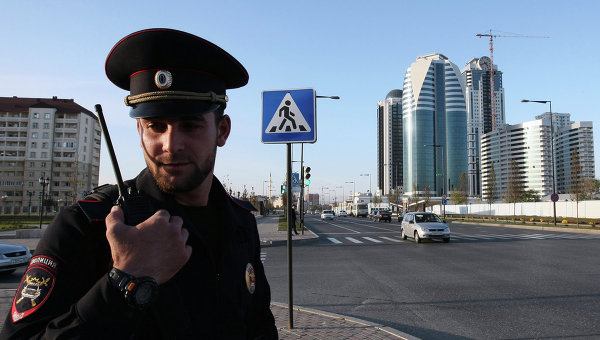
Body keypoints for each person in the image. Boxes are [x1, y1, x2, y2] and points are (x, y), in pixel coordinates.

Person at [1, 28, 278, 339]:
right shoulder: (85, 226)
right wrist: (126, 280)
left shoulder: (239, 222)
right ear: (139, 131)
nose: (170, 144)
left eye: (190, 125)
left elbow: (259, 326)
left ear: (222, 131)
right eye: (155, 126)